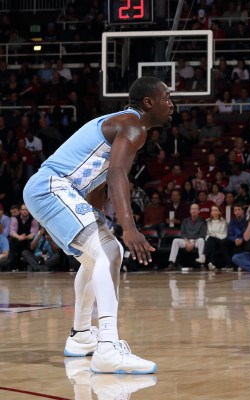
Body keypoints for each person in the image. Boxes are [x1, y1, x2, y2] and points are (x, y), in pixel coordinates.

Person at [23, 76, 173, 374]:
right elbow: (118, 174)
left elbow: (100, 179)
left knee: (95, 257)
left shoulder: (122, 124)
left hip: (50, 189)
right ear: (148, 102)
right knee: (111, 250)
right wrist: (128, 228)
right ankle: (107, 347)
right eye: (167, 98)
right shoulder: (134, 126)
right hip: (52, 186)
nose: (172, 105)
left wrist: (97, 220)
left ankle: (81, 337)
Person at [165, 204, 207, 271]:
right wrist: (187, 242)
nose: (194, 210)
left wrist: (193, 243)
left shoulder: (202, 221)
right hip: (186, 240)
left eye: (195, 209)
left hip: (196, 240)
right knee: (175, 240)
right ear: (190, 211)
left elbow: (202, 234)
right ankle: (172, 263)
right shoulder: (185, 221)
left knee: (201, 240)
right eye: (192, 209)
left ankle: (202, 264)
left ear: (199, 211)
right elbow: (183, 233)